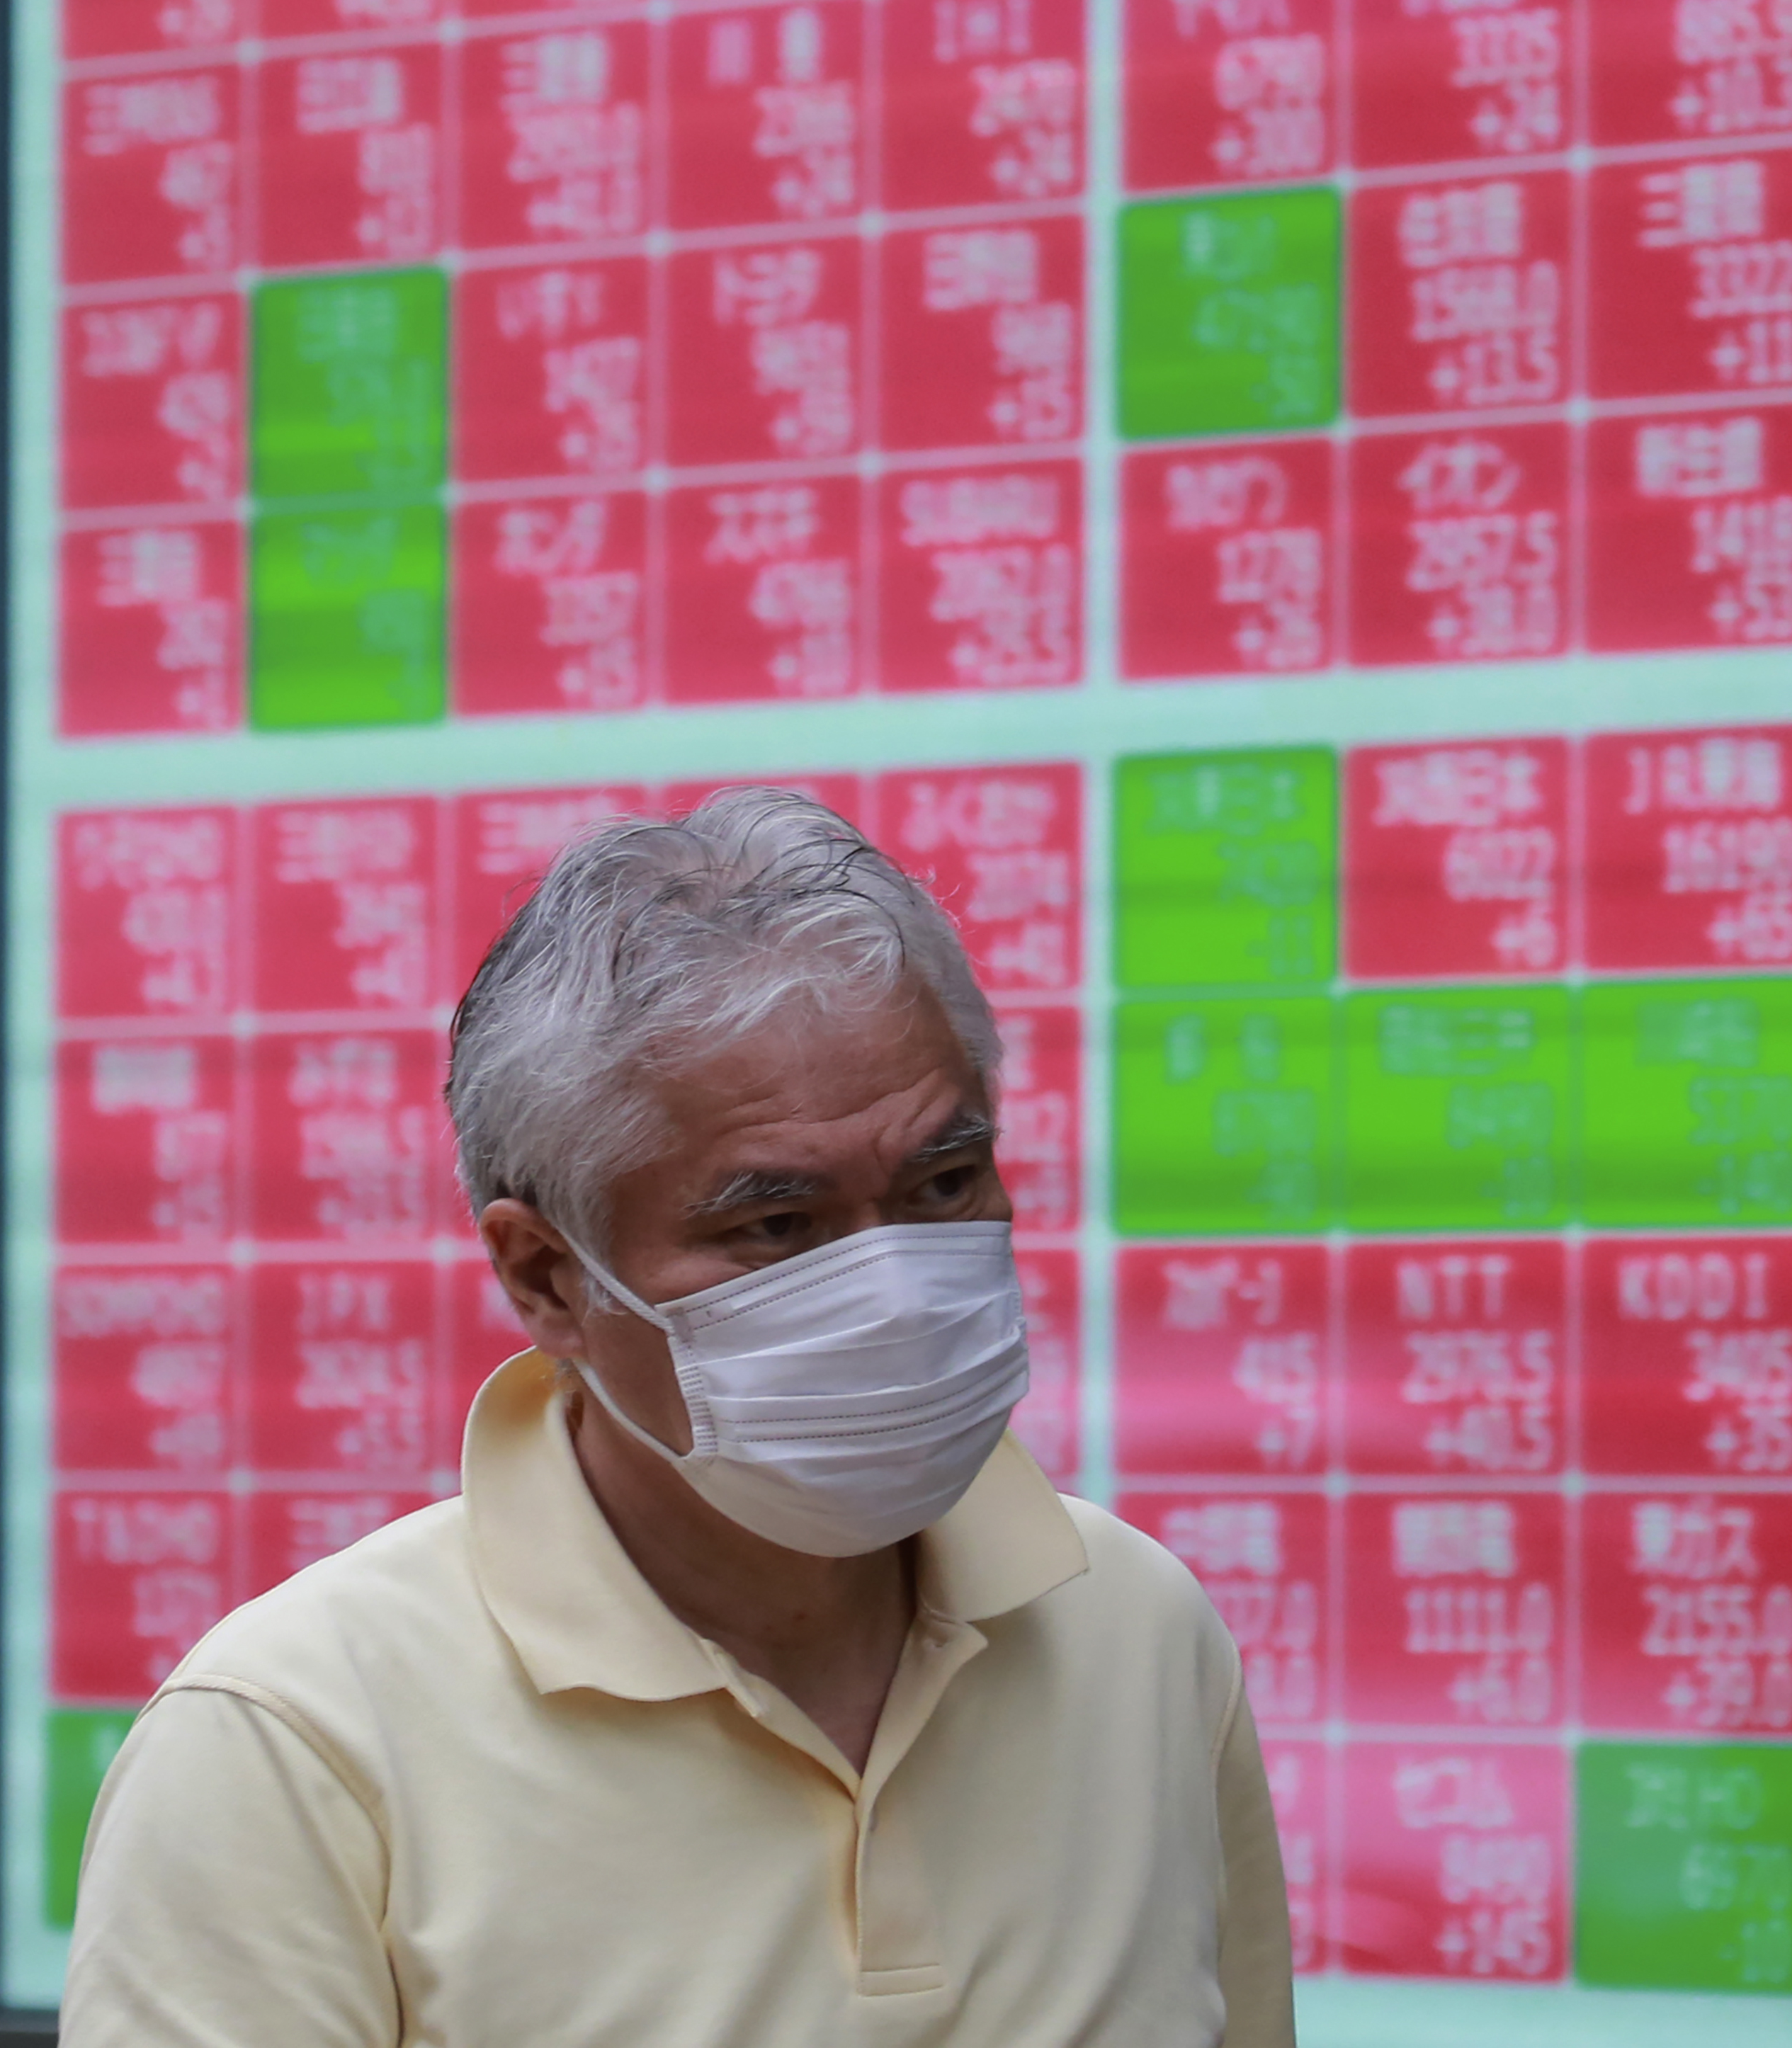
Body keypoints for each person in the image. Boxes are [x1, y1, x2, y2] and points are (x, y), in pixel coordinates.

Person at [63, 790, 1296, 2046]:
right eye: (777, 1224)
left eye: (942, 1182)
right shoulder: (299, 1739)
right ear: (548, 1275)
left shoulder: (1136, 1629)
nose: (890, 1288)